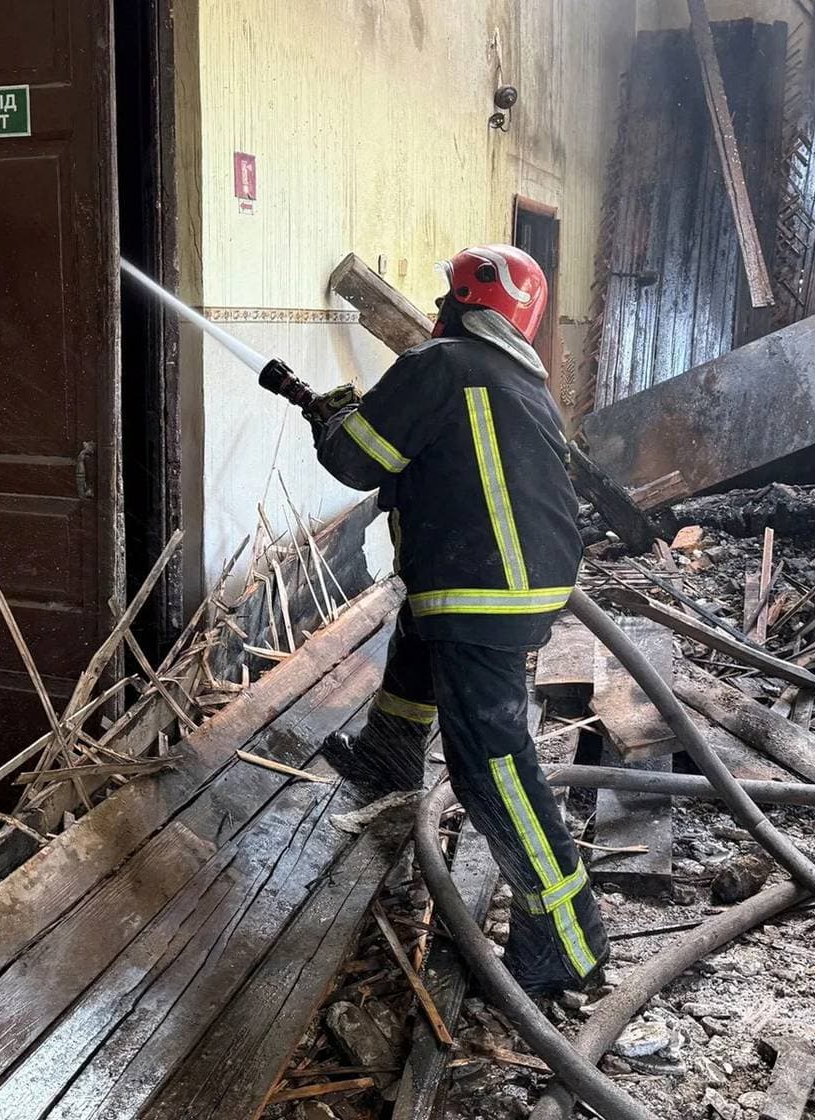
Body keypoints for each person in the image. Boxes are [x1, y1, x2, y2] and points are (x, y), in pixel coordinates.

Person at [306, 245, 607, 995]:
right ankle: (389, 758)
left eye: (448, 294)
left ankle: (567, 941)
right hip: (499, 580)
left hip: (484, 590)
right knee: (417, 643)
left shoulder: (442, 364)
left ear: (472, 302)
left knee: (491, 766)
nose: (437, 306)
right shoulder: (512, 375)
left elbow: (355, 461)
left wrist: (335, 412)